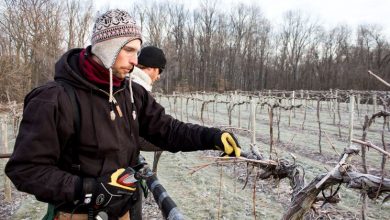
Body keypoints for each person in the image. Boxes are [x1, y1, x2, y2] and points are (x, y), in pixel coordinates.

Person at [5, 9, 241, 220]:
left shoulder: (131, 93)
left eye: (137, 51)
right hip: (77, 215)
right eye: (128, 50)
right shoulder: (54, 99)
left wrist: (212, 137)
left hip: (123, 212)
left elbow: (167, 130)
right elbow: (26, 170)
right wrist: (90, 189)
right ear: (106, 48)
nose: (135, 61)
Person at [131, 46, 167, 173]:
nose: (158, 77)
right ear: (151, 68)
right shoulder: (136, 90)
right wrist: (165, 142)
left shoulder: (129, 83)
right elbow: (132, 136)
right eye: (159, 71)